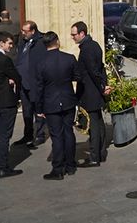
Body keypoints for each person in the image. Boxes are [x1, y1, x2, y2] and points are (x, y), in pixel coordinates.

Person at [33, 31, 80, 180]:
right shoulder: (69, 58)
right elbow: (77, 76)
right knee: (68, 132)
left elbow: (39, 87)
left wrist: (39, 108)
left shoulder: (40, 63)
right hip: (68, 100)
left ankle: (58, 168)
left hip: (50, 102)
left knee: (56, 136)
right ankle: (71, 165)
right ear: (57, 42)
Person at [70, 20, 110, 167]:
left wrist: (102, 87)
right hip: (95, 91)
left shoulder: (87, 49)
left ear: (82, 33)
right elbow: (101, 68)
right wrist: (104, 85)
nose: (72, 37)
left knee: (94, 124)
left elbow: (94, 71)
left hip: (90, 93)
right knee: (98, 122)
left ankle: (94, 157)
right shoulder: (94, 45)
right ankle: (100, 153)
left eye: (74, 34)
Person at [0, 32, 23, 178]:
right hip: (7, 101)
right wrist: (12, 81)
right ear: (1, 43)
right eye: (9, 43)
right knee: (4, 136)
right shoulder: (4, 60)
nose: (11, 46)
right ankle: (3, 167)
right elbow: (17, 77)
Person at [13, 20, 47, 147]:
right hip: (23, 82)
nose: (22, 33)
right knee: (26, 111)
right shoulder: (23, 42)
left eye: (25, 31)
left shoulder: (41, 42)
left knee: (38, 109)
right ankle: (27, 134)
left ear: (33, 31)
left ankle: (40, 134)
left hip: (35, 82)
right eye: (22, 30)